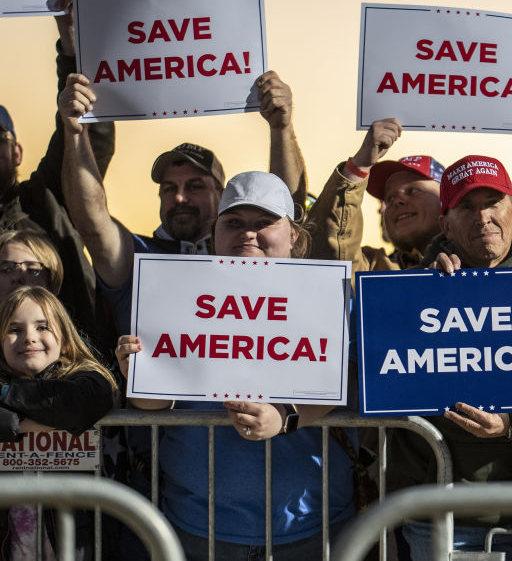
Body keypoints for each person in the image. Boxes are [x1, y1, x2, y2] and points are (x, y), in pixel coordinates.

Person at [115, 171, 354, 560]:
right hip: (196, 526)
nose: (248, 234)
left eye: (264, 223)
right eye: (234, 223)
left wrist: (285, 417)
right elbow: (153, 409)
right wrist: (140, 378)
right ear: (215, 233)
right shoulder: (176, 293)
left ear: (293, 234)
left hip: (310, 526)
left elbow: (346, 383)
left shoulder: (331, 295)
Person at [390, 154, 512, 560]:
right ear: (445, 224)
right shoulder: (408, 291)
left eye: (493, 202)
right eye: (467, 207)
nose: (483, 217)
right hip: (436, 518)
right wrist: (425, 283)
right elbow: (390, 379)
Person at [57, 67, 307, 331]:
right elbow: (92, 224)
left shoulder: (246, 253)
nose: (179, 197)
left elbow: (282, 208)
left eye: (195, 186)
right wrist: (75, 134)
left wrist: (282, 128)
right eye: (168, 188)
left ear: (222, 197)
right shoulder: (140, 258)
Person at [307, 76, 512, 272]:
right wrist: (358, 166)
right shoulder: (380, 270)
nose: (396, 201)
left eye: (413, 190)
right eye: (388, 198)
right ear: (447, 222)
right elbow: (332, 256)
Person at [1, 0, 115, 356]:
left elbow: (85, 133)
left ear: (17, 152)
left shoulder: (47, 200)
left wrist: (71, 42)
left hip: (72, 388)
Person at [0, 286, 118, 560]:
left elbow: (82, 403)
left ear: (64, 338)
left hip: (77, 542)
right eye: (14, 329)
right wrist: (34, 422)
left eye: (42, 327)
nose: (29, 338)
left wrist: (7, 398)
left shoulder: (87, 377)